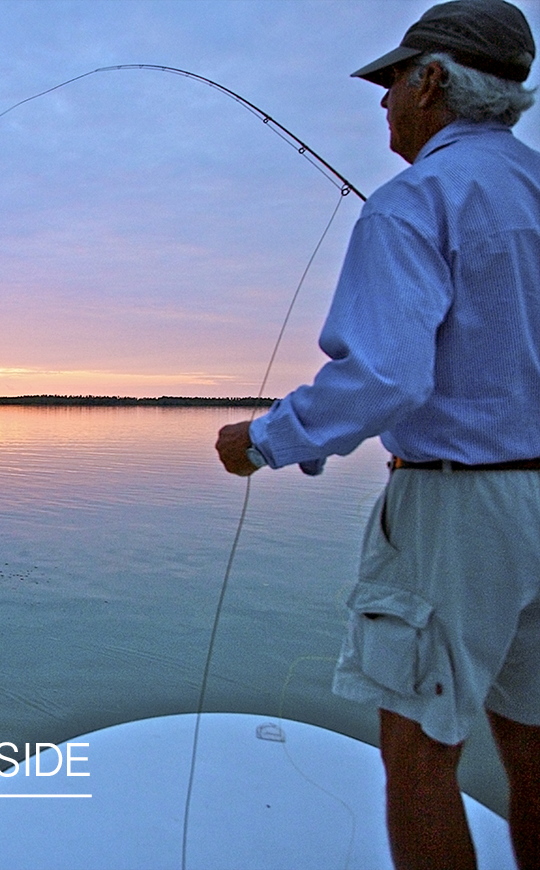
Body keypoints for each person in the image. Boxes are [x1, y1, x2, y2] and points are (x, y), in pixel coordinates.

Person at [214, 1, 540, 868]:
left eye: (392, 80)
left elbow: (386, 379)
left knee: (418, 758)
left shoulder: (412, 201)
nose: (383, 101)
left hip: (458, 510)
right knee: (538, 746)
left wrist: (266, 439)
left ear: (431, 81)